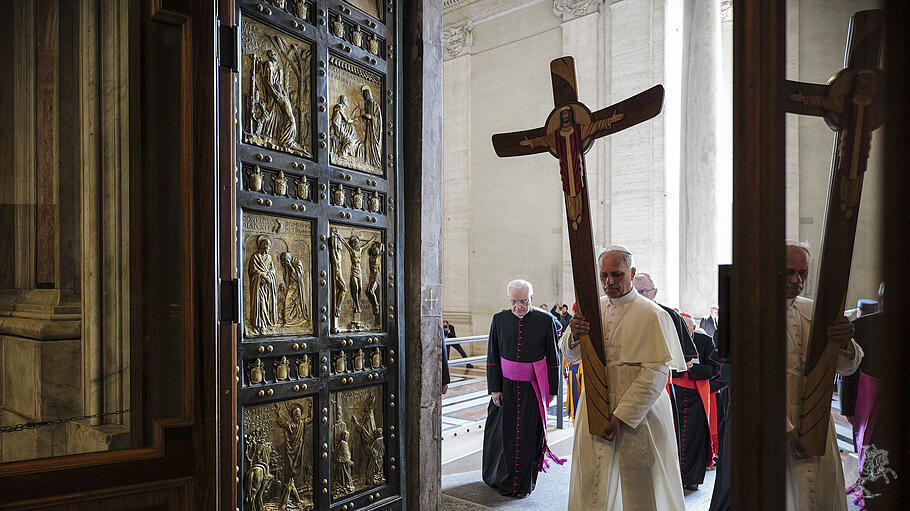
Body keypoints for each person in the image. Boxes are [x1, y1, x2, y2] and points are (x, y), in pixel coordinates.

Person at [561, 246, 686, 510]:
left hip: (640, 414)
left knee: (641, 484)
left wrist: (621, 416)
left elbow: (656, 373)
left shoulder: (653, 314)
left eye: (616, 275)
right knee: (592, 479)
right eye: (604, 275)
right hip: (595, 404)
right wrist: (574, 333)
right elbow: (571, 357)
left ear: (631, 273)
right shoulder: (593, 309)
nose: (609, 282)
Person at [784, 242, 863, 511]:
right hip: (771, 422)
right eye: (788, 272)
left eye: (802, 273)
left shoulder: (814, 311)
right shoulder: (750, 314)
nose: (796, 280)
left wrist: (845, 342)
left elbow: (847, 367)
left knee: (821, 493)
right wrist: (784, 429)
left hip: (815, 419)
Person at [483, 279, 563, 498]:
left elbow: (553, 358)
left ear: (532, 299)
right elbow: (493, 355)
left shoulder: (545, 320)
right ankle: (498, 479)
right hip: (505, 389)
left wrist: (552, 390)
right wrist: (494, 389)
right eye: (514, 301)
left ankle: (523, 484)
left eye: (523, 301)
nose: (518, 306)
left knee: (527, 435)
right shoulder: (499, 319)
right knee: (502, 436)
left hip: (533, 388)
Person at [631, 272, 699, 450]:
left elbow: (685, 359)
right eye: (635, 291)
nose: (638, 296)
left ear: (654, 292)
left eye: (643, 291)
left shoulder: (668, 315)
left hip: (658, 386)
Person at [674, 313, 723, 491]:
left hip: (697, 398)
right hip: (675, 395)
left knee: (695, 438)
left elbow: (715, 369)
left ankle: (692, 478)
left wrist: (693, 367)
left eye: (686, 327)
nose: (683, 331)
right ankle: (676, 477)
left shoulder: (705, 341)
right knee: (676, 437)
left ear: (693, 328)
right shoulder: (673, 340)